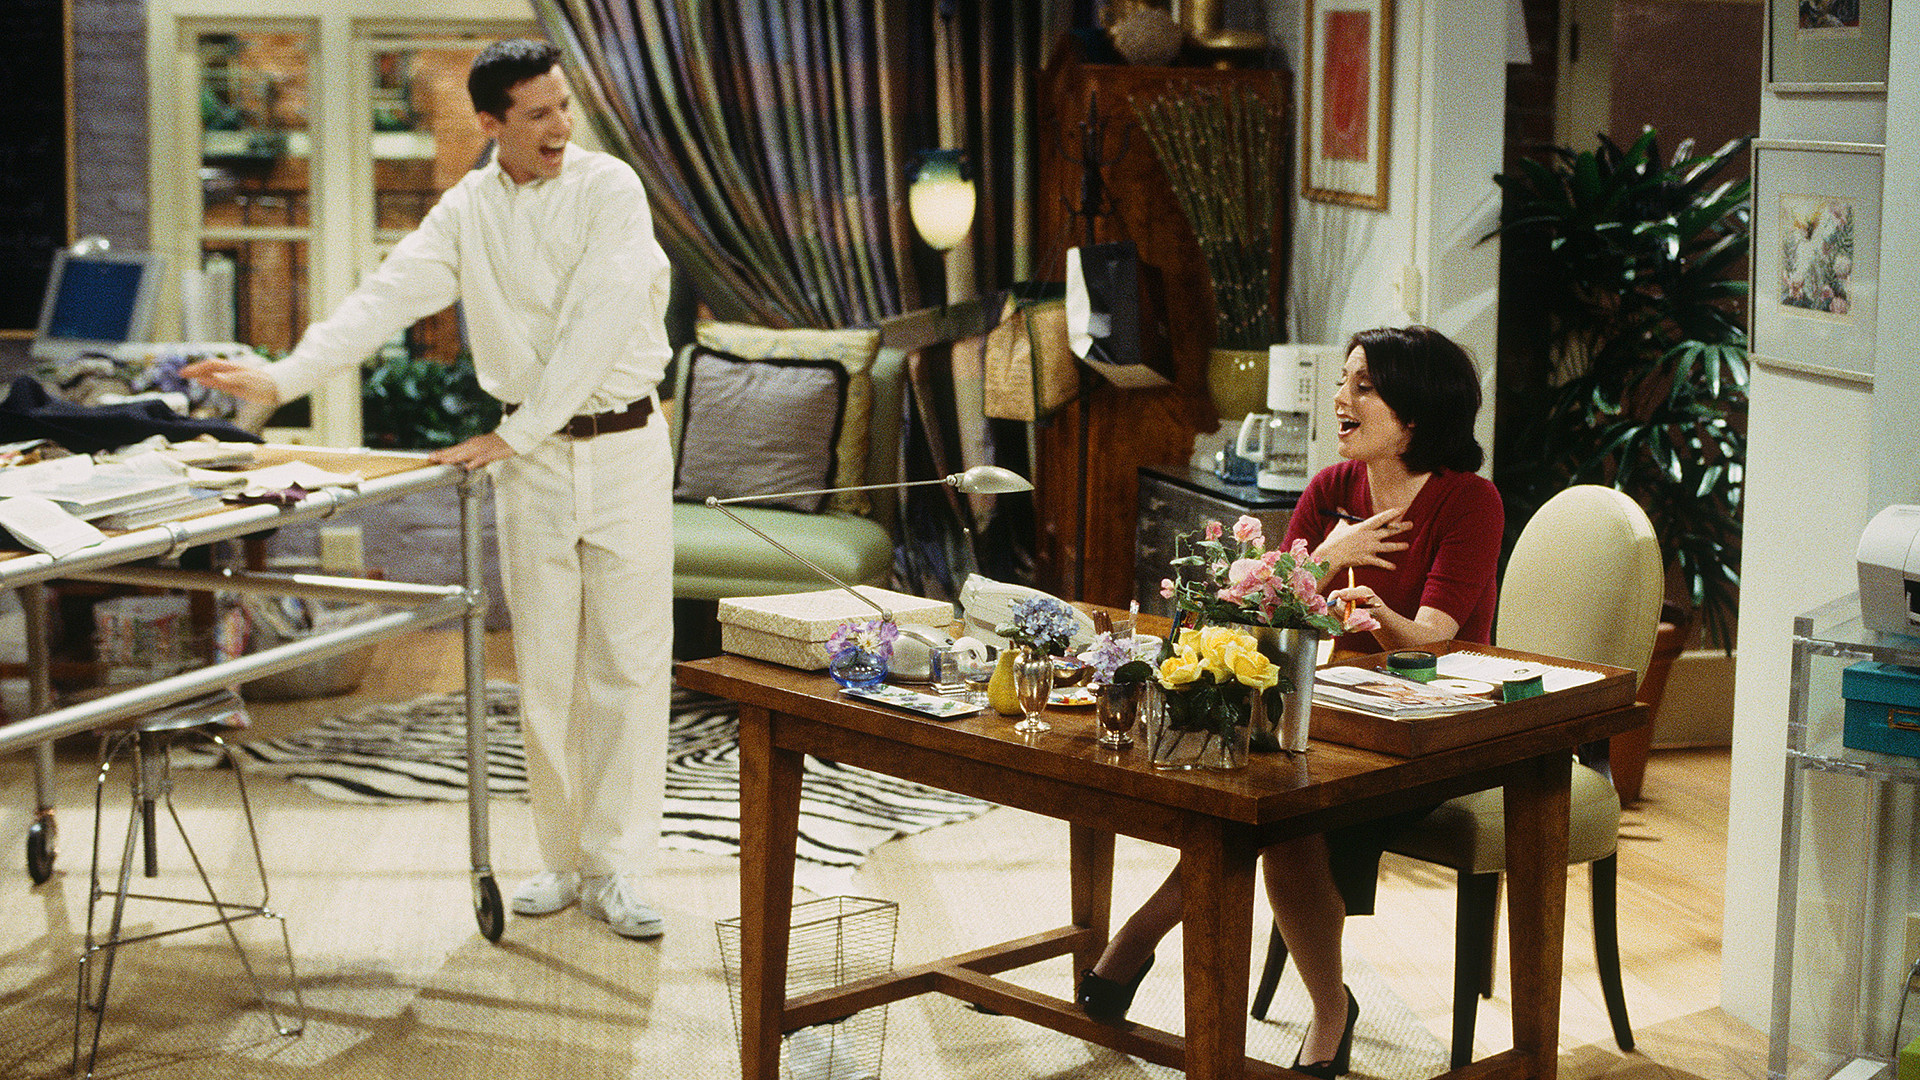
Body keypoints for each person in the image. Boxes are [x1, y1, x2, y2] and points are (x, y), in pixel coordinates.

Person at [182, 39, 676, 941]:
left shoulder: (610, 189)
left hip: (625, 451)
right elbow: (384, 299)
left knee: (629, 667)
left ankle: (620, 868)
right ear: (491, 123)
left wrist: (512, 433)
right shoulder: (466, 211)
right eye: (538, 113)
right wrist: (284, 376)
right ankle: (564, 859)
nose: (560, 127)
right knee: (545, 670)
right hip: (532, 465)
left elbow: (600, 325)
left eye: (564, 106)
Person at [1078, 325, 1502, 1076]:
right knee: (1236, 788)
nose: (1340, 399)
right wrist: (1325, 559)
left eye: (1363, 387)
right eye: (1343, 381)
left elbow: (1437, 637)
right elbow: (1253, 604)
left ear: (1413, 413)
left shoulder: (1469, 501)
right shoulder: (1332, 490)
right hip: (1327, 714)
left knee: (1278, 813)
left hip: (1429, 731)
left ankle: (1302, 1001)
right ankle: (1181, 957)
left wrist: (1378, 612)